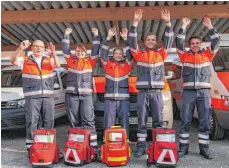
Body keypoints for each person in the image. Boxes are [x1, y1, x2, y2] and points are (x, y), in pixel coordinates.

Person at [128, 9, 174, 158]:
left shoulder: (161, 53)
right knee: (141, 121)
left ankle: (158, 146)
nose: (151, 41)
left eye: (153, 40)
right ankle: (141, 147)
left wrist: (168, 24)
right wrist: (135, 23)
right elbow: (131, 41)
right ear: (145, 41)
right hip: (142, 94)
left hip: (157, 94)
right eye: (148, 39)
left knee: (158, 122)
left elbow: (168, 41)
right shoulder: (138, 53)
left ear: (155, 42)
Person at [176, 17, 220, 159]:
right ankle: (183, 148)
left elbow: (217, 40)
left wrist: (210, 26)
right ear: (189, 45)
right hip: (188, 92)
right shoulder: (184, 55)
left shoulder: (207, 54)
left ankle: (204, 149)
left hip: (204, 92)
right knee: (186, 120)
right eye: (192, 43)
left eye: (197, 43)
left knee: (205, 121)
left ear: (200, 44)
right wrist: (183, 26)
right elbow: (178, 42)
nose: (195, 45)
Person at [10, 40, 60, 154]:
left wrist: (53, 52)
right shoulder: (25, 60)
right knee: (32, 122)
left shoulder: (48, 60)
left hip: (47, 97)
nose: (38, 48)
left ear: (44, 49)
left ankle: (48, 146)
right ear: (32, 48)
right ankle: (31, 149)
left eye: (41, 47)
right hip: (32, 97)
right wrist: (20, 49)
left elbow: (57, 64)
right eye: (36, 46)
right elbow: (12, 60)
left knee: (49, 121)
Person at [61, 27, 100, 158]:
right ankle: (77, 145)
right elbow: (65, 50)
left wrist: (96, 35)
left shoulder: (90, 61)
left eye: (82, 51)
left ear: (85, 52)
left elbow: (95, 50)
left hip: (87, 96)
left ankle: (93, 147)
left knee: (88, 120)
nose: (79, 53)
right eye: (77, 51)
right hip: (72, 96)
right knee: (74, 121)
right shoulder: (70, 61)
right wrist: (66, 35)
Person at [99, 27, 133, 139]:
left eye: (120, 53)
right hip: (110, 100)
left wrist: (126, 40)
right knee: (108, 122)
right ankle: (107, 140)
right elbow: (103, 53)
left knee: (124, 121)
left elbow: (130, 54)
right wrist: (108, 38)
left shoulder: (127, 65)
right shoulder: (107, 65)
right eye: (116, 53)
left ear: (122, 55)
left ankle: (125, 140)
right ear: (113, 55)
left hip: (124, 100)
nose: (118, 55)